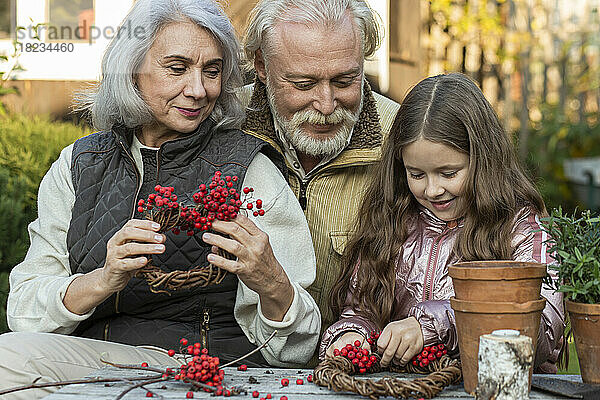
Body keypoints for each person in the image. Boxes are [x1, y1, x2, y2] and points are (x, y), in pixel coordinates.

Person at [1, 0, 320, 397]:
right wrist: (102, 280)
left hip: (196, 370)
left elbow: (296, 348)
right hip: (88, 359)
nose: (198, 90)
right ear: (133, 68)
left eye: (212, 71)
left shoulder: (247, 169)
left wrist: (272, 282)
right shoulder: (78, 165)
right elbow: (25, 312)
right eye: (177, 68)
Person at [320, 73, 565, 373]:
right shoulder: (392, 219)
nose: (433, 190)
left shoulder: (521, 228)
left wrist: (435, 324)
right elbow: (361, 308)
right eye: (417, 174)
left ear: (482, 159)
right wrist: (351, 335)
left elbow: (542, 330)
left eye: (449, 173)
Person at [238, 0, 401, 344]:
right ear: (261, 66)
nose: (326, 105)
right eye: (302, 84)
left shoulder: (405, 141)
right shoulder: (221, 127)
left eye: (345, 81)